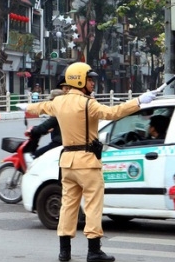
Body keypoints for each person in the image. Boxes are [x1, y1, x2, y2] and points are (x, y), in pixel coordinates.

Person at [19, 62, 157, 262]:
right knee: (93, 205)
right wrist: (138, 101)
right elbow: (113, 113)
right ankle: (94, 250)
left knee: (68, 205)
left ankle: (64, 251)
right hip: (87, 162)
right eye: (90, 79)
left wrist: (25, 106)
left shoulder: (59, 101)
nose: (93, 83)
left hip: (67, 162)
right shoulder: (87, 103)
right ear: (79, 80)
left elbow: (41, 107)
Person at [26, 89, 64, 158]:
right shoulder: (62, 110)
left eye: (51, 100)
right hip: (62, 143)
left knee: (36, 155)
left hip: (59, 143)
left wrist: (33, 130)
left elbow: (45, 125)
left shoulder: (58, 113)